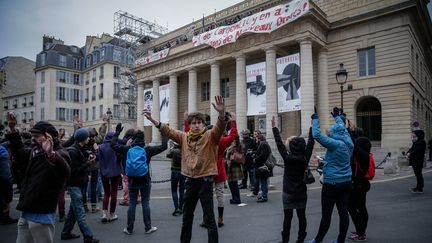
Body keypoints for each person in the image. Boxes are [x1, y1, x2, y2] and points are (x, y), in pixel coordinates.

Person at [144, 95, 228, 243]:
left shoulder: (210, 136)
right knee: (187, 218)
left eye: (199, 122)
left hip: (205, 181)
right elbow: (168, 131)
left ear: (203, 124)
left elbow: (219, 129)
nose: (196, 125)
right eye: (193, 123)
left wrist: (221, 114)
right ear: (190, 125)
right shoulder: (184, 136)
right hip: (190, 181)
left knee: (209, 219)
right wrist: (152, 120)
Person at [6, 115, 71, 243]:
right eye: (32, 136)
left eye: (36, 136)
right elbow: (20, 151)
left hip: (41, 212)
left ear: (48, 137)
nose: (32, 139)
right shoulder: (35, 151)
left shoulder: (60, 153)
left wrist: (51, 154)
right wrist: (13, 129)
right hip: (27, 209)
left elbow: (66, 171)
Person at [306, 107, 354, 243]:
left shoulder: (335, 144)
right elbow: (342, 128)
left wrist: (315, 119)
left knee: (326, 215)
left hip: (332, 183)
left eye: (331, 132)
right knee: (343, 212)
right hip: (346, 181)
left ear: (334, 134)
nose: (330, 134)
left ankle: (318, 240)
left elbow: (317, 135)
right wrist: (337, 117)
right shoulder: (349, 142)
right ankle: (340, 241)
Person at [110, 125, 167, 235]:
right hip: (145, 180)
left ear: (132, 139)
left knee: (132, 204)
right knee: (145, 203)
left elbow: (113, 145)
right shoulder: (147, 150)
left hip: (132, 181)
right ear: (143, 139)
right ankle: (148, 227)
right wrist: (163, 133)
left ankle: (129, 228)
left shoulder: (127, 150)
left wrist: (117, 132)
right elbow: (164, 146)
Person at [272, 116, 314, 243]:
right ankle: (300, 239)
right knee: (302, 217)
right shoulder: (305, 158)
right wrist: (312, 127)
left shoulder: (288, 159)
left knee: (287, 218)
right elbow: (311, 143)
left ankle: (285, 240)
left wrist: (274, 128)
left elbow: (279, 144)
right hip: (301, 192)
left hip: (288, 192)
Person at [61, 128, 99, 243]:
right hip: (75, 185)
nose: (89, 138)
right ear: (83, 138)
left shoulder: (80, 148)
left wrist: (88, 160)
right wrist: (88, 163)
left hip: (79, 184)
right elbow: (74, 170)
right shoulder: (73, 151)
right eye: (87, 137)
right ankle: (88, 237)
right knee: (80, 212)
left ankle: (65, 233)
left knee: (73, 211)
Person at [347, 127, 372, 241]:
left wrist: (346, 130)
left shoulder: (361, 155)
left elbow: (353, 144)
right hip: (363, 185)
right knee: (361, 208)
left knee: (351, 208)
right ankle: (362, 230)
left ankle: (361, 233)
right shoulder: (365, 154)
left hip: (357, 186)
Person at [97, 131, 122, 223]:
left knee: (106, 193)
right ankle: (112, 215)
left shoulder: (101, 147)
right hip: (115, 172)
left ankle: (104, 213)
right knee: (114, 193)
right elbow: (120, 157)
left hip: (104, 172)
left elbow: (98, 158)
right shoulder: (116, 146)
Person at [0, 143, 17, 225]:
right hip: (3, 182)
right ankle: (5, 217)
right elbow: (5, 177)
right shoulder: (2, 151)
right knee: (5, 201)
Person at [167, 141, 185, 216]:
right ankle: (181, 208)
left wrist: (171, 148)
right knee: (182, 191)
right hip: (183, 172)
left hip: (174, 171)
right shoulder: (184, 151)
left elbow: (168, 155)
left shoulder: (173, 151)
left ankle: (176, 208)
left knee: (174, 190)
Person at [252, 132, 272, 203]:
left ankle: (264, 196)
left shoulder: (263, 144)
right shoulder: (263, 144)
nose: (255, 139)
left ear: (259, 138)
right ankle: (264, 195)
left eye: (256, 138)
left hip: (263, 166)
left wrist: (255, 159)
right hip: (262, 165)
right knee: (263, 181)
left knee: (263, 182)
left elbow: (263, 155)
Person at [225, 136, 244, 205]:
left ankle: (236, 199)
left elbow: (231, 156)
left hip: (233, 167)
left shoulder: (235, 146)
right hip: (234, 167)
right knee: (232, 184)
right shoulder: (236, 145)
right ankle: (235, 198)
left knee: (233, 184)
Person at [407, 129, 426, 193]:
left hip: (418, 161)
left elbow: (416, 151)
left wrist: (410, 154)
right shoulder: (416, 141)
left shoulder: (422, 142)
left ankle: (420, 188)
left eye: (414, 134)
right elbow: (412, 148)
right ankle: (418, 187)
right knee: (417, 175)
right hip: (414, 161)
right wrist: (408, 153)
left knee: (419, 175)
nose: (413, 135)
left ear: (418, 134)